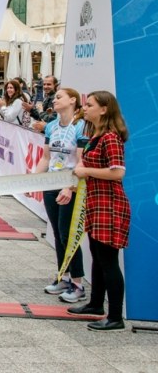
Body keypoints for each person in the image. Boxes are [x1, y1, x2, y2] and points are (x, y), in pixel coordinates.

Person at [68, 91, 131, 331]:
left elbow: (117, 172)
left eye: (90, 105)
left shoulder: (111, 138)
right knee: (97, 256)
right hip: (97, 203)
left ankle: (115, 316)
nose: (86, 108)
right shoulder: (96, 135)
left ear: (104, 109)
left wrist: (87, 171)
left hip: (109, 205)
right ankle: (96, 304)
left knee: (108, 261)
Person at [34, 87, 87, 304]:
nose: (54, 100)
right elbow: (46, 158)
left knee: (68, 234)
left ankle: (78, 283)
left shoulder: (80, 126)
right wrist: (33, 180)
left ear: (72, 100)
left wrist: (71, 186)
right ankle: (63, 276)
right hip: (52, 183)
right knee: (56, 232)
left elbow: (82, 161)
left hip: (71, 185)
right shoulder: (52, 126)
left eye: (59, 97)